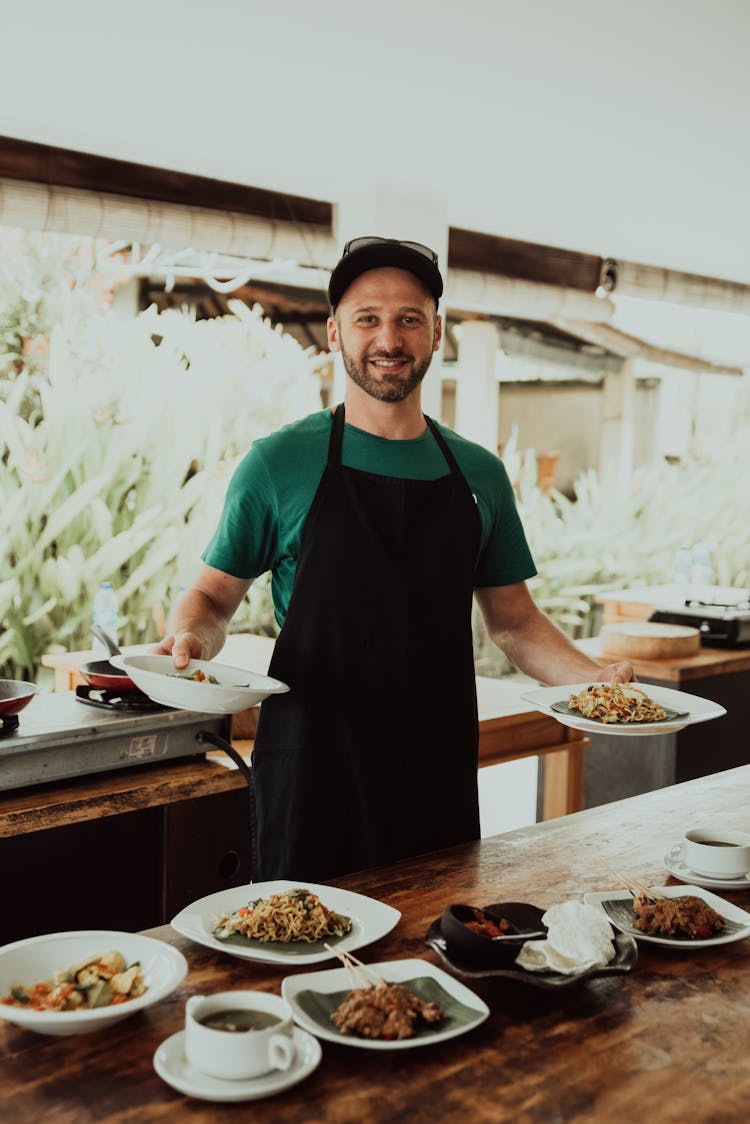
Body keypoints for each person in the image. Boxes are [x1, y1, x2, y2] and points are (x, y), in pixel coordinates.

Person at [156, 235, 633, 882]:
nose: (390, 337)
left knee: (429, 964)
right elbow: (213, 599)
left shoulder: (480, 475)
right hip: (312, 773)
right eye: (367, 319)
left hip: (434, 769)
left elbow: (515, 622)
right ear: (333, 334)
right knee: (310, 963)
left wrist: (595, 682)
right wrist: (189, 636)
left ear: (437, 333)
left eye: (410, 319)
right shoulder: (278, 464)